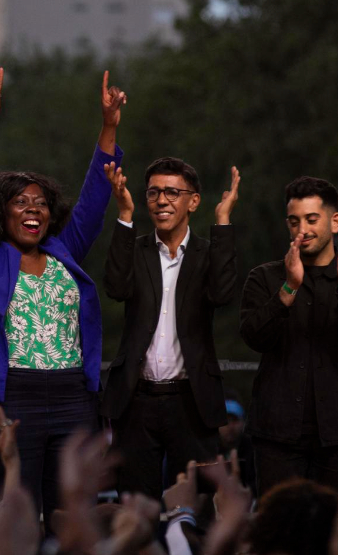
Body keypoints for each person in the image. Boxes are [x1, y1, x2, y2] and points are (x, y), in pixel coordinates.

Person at [0, 69, 125, 524]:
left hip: (73, 397)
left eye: (41, 203)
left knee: (73, 516)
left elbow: (93, 202)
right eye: (21, 202)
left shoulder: (65, 252)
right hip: (10, 396)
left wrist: (109, 126)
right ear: (3, 212)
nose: (33, 209)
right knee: (18, 515)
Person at [101, 158, 241, 498]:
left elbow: (222, 294)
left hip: (192, 401)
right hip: (136, 399)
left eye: (172, 192)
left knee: (197, 503)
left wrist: (223, 221)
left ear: (193, 201)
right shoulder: (135, 248)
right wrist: (124, 214)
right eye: (153, 192)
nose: (161, 200)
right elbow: (116, 288)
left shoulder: (208, 253)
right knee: (135, 505)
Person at [241, 176, 338, 496]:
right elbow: (254, 338)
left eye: (311, 219)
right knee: (280, 523)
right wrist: (289, 288)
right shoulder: (264, 277)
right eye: (294, 221)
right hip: (277, 437)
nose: (302, 229)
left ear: (335, 222)